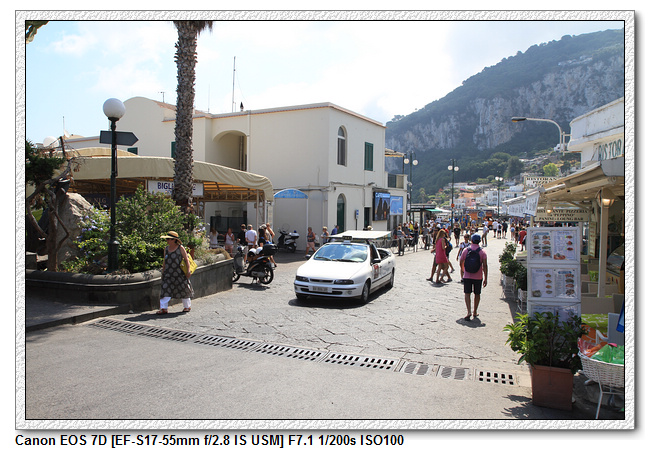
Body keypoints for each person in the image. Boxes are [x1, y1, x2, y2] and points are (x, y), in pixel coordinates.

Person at [158, 231, 193, 314]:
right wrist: (163, 272)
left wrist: (188, 271)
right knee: (165, 289)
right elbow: (165, 261)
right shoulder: (166, 249)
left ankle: (187, 306)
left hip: (179, 274)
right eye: (167, 239)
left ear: (174, 240)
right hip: (168, 274)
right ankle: (163, 308)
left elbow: (186, 260)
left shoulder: (180, 248)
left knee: (184, 289)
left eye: (168, 239)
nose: (167, 241)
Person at [459, 233, 488, 320]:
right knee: (477, 294)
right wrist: (486, 278)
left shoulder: (466, 250)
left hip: (467, 275)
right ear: (479, 241)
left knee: (467, 293)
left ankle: (469, 311)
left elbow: (461, 261)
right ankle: (475, 311)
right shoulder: (482, 252)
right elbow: (485, 265)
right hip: (478, 276)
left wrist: (464, 270)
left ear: (471, 240)